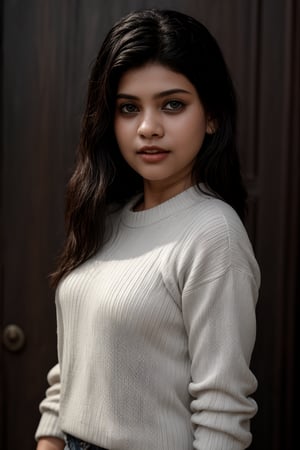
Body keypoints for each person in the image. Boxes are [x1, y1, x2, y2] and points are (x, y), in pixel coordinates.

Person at [35, 8, 260, 450]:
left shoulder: (214, 233)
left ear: (211, 116)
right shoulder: (106, 216)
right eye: (128, 108)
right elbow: (72, 370)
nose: (148, 128)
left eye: (172, 104)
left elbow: (222, 417)